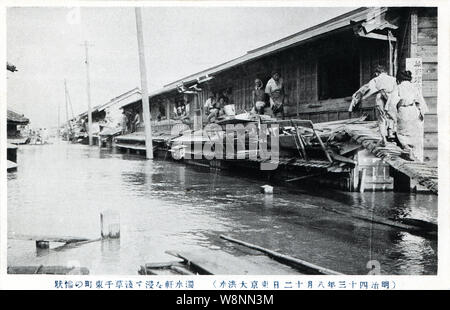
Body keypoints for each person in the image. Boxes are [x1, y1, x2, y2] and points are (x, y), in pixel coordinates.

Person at [349, 65, 398, 146]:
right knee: (392, 118)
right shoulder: (393, 79)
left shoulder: (376, 79)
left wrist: (357, 97)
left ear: (377, 73)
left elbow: (366, 88)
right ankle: (391, 136)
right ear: (385, 72)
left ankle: (384, 140)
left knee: (382, 120)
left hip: (381, 100)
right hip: (391, 99)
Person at [395, 70, 428, 161]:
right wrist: (421, 113)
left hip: (403, 110)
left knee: (403, 133)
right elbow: (420, 101)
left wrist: (391, 113)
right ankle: (415, 154)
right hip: (413, 110)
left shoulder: (398, 87)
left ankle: (407, 149)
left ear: (399, 79)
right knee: (414, 133)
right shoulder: (414, 87)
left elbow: (391, 103)